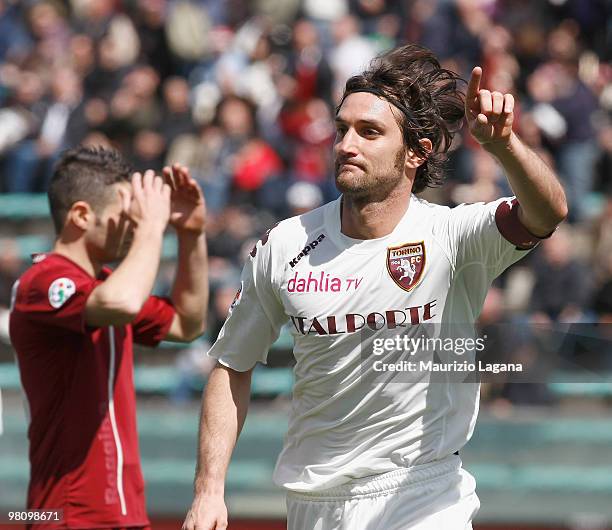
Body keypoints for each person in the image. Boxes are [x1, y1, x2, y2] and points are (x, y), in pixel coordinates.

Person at [182, 44, 567, 530]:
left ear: (416, 153)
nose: (347, 144)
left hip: (424, 494)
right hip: (314, 503)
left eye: (369, 132)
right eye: (342, 129)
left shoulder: (454, 236)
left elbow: (547, 212)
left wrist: (504, 146)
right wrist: (208, 490)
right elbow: (232, 364)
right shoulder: (285, 244)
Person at [9, 145, 208, 529]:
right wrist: (152, 227)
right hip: (66, 515)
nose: (134, 223)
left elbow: (187, 322)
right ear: (82, 215)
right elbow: (122, 302)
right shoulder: (44, 280)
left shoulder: (105, 287)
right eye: (126, 213)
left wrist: (190, 233)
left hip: (124, 514)